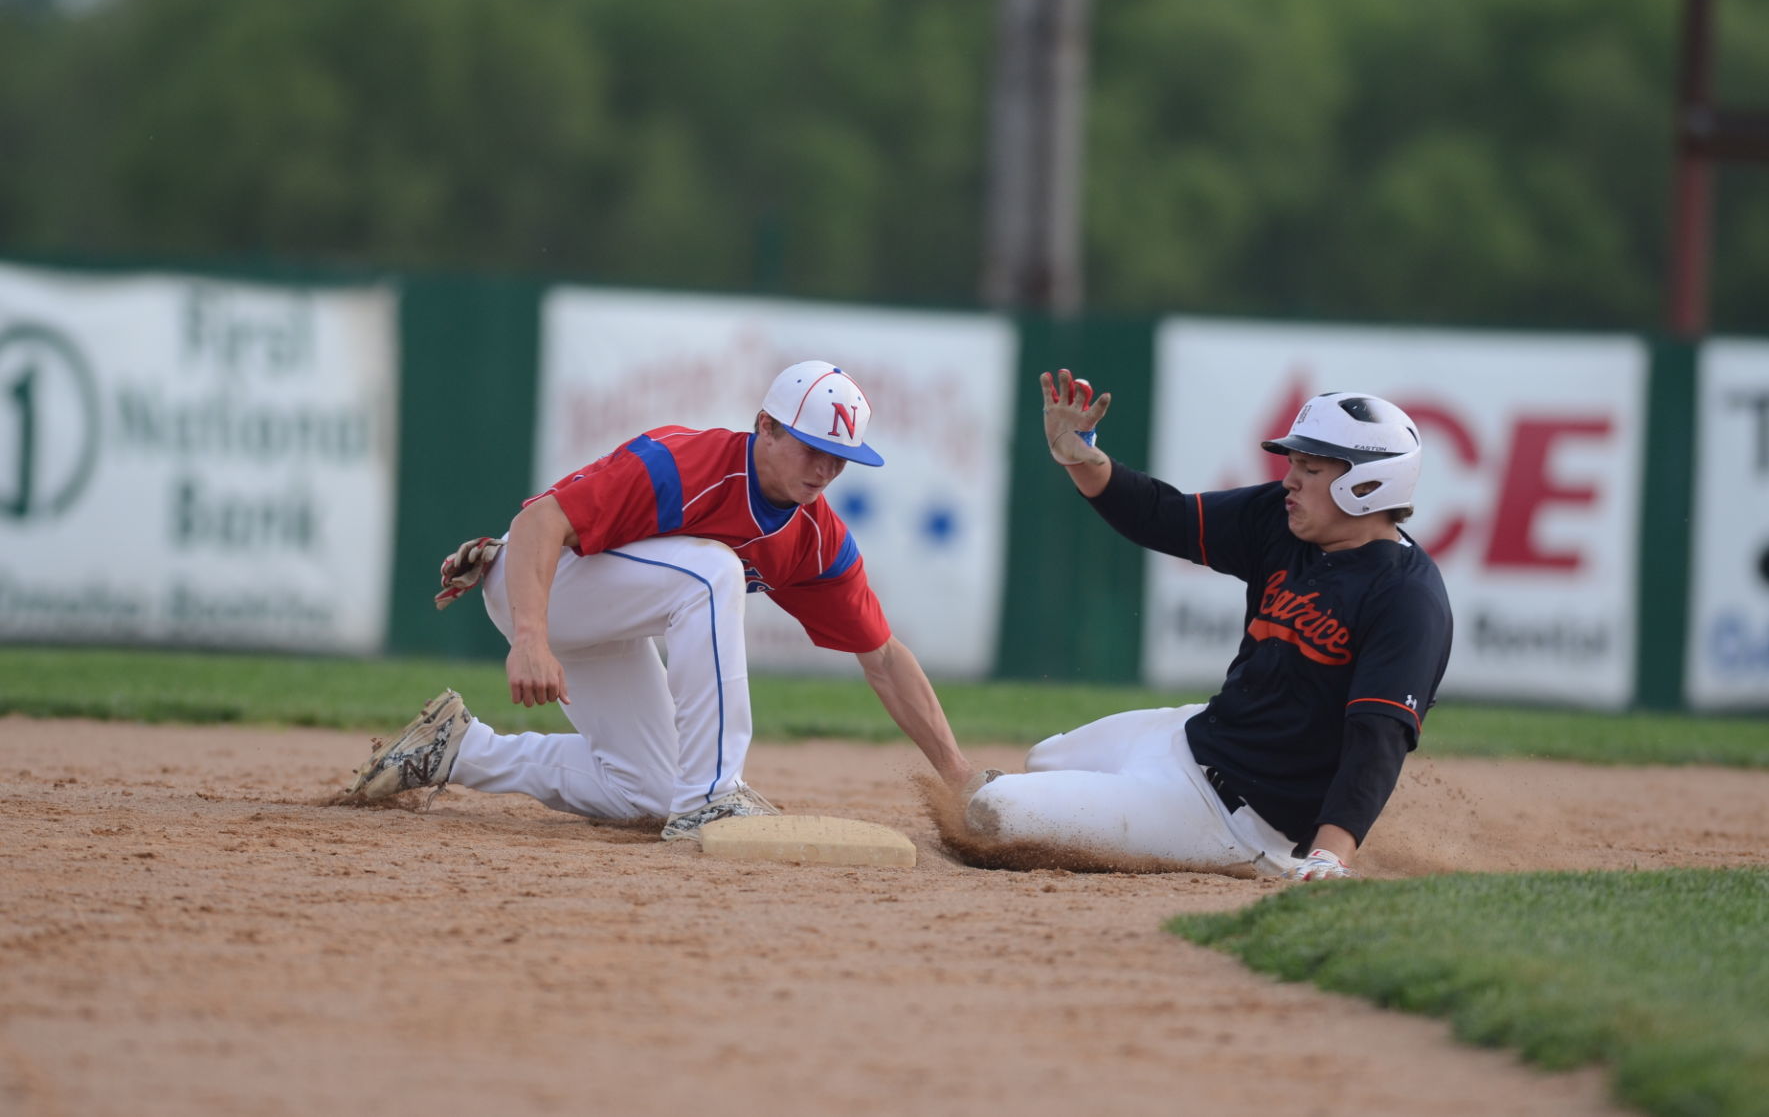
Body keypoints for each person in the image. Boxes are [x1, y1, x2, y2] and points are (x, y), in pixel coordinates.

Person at [344, 360, 982, 841]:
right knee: (711, 571)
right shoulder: (684, 463)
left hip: (607, 618)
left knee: (646, 792)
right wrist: (530, 638)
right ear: (765, 426)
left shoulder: (816, 540)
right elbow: (543, 520)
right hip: (541, 581)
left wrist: (957, 774)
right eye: (813, 449)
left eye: (840, 459)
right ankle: (714, 795)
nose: (824, 471)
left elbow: (884, 659)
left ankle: (452, 749)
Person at [964, 369, 1454, 880]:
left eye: (1309, 469)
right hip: (1195, 737)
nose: (1289, 480)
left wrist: (1331, 855)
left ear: (1368, 484)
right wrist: (1081, 456)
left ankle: (1259, 855)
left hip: (1236, 818)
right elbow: (1163, 516)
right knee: (1044, 760)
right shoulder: (1283, 521)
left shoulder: (1407, 599)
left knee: (992, 812)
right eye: (1293, 464)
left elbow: (1377, 738)